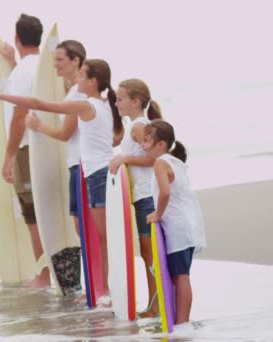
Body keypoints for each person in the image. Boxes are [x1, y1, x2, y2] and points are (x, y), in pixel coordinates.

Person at [0, 58, 124, 302]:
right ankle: (102, 291)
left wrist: (2, 97)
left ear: (93, 82)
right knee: (98, 237)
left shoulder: (86, 105)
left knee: (101, 238)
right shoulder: (104, 104)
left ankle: (107, 292)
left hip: (99, 177)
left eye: (82, 75)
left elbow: (39, 103)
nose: (77, 79)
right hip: (100, 175)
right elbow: (116, 138)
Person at [24, 39, 87, 293]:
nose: (55, 65)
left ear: (76, 61)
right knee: (79, 227)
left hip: (80, 167)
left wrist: (39, 127)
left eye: (60, 59)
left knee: (82, 228)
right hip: (77, 165)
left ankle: (94, 288)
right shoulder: (73, 90)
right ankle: (89, 287)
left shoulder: (78, 94)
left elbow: (65, 133)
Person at [0, 13, 50, 287]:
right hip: (52, 146)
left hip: (28, 150)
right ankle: (53, 270)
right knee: (51, 209)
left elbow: (20, 116)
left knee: (33, 213)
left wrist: (8, 156)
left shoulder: (21, 73)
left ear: (17, 38)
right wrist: (12, 62)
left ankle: (43, 275)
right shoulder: (48, 65)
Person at [144, 119, 207, 326]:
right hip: (187, 227)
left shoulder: (161, 162)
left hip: (178, 229)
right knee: (181, 275)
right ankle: (182, 322)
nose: (143, 146)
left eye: (146, 141)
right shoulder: (176, 162)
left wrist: (157, 214)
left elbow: (165, 192)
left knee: (180, 276)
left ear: (160, 144)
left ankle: (181, 323)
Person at [109, 79, 162, 317]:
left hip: (146, 198)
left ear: (135, 101)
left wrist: (125, 159)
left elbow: (156, 157)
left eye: (120, 99)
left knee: (150, 254)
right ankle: (155, 304)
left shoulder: (139, 125)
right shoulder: (136, 126)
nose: (117, 103)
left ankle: (156, 306)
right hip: (142, 198)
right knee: (148, 253)